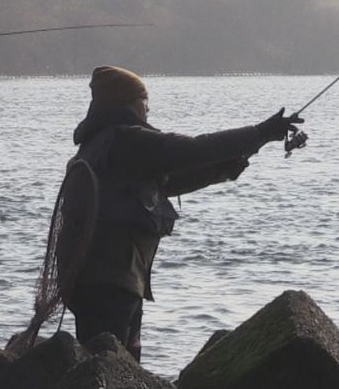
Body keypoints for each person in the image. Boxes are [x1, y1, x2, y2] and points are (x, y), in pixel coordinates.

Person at [61, 66, 302, 361]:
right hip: (110, 281)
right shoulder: (126, 140)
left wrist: (231, 164)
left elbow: (171, 183)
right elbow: (193, 150)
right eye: (144, 102)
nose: (148, 109)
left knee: (115, 361)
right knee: (108, 365)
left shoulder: (100, 145)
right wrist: (260, 132)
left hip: (101, 278)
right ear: (128, 103)